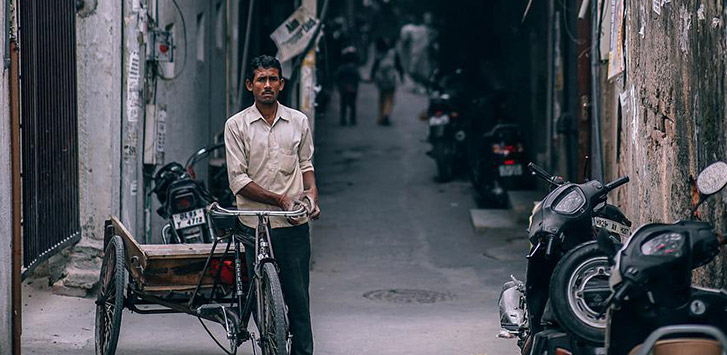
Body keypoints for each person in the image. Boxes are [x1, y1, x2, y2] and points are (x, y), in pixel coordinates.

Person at [224, 55, 320, 355]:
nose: (267, 85)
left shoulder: (298, 121)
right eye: (261, 79)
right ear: (250, 85)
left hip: (292, 224)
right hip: (252, 223)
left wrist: (312, 194)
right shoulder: (236, 125)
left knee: (299, 301)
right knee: (254, 296)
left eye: (273, 79)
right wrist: (278, 199)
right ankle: (268, 337)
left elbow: (306, 164)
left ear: (281, 83)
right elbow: (238, 180)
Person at [370, 38, 404, 126]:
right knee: (390, 98)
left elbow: (374, 67)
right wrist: (401, 76)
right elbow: (399, 66)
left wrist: (372, 77)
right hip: (391, 79)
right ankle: (386, 114)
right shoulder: (393, 53)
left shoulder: (379, 55)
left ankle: (381, 117)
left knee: (381, 98)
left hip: (381, 80)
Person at [334, 46, 361, 126]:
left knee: (343, 105)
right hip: (352, 88)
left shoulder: (342, 68)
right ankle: (352, 120)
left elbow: (337, 78)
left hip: (343, 88)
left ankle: (343, 119)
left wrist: (339, 86)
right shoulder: (354, 68)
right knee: (352, 105)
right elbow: (357, 78)